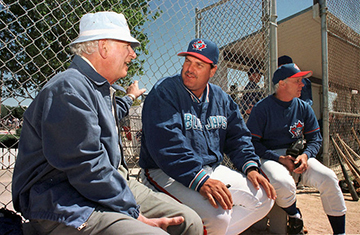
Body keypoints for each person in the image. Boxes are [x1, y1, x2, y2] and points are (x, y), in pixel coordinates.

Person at [11, 12, 203, 235]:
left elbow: (114, 113)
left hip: (103, 183)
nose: (133, 54)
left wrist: (130, 97)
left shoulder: (101, 89)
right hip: (62, 198)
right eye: (127, 46)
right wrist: (132, 212)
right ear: (104, 47)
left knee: (190, 222)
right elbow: (86, 167)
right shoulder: (69, 88)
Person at [139, 38, 276, 235]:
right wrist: (199, 179)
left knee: (264, 197)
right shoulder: (165, 91)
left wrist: (251, 166)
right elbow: (166, 145)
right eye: (188, 61)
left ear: (212, 71)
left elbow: (238, 136)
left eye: (199, 65)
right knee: (217, 217)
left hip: (209, 168)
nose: (189, 69)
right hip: (165, 171)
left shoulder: (221, 98)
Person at [246, 63, 347, 234]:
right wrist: (279, 158)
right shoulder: (262, 108)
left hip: (298, 156)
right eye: (298, 81)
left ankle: (340, 232)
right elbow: (252, 143)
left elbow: (315, 138)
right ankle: (294, 214)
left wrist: (306, 156)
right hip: (270, 157)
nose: (303, 84)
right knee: (281, 182)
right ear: (282, 84)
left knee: (329, 178)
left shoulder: (303, 107)